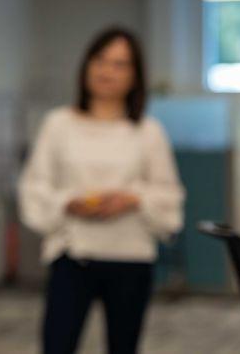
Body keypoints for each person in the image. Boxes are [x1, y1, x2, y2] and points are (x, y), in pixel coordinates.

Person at [18, 26, 184, 354]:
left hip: (130, 258)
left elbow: (169, 194)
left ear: (135, 75)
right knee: (57, 344)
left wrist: (131, 199)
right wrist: (69, 202)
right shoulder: (58, 124)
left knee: (124, 346)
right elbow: (34, 185)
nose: (107, 71)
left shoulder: (148, 132)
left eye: (120, 64)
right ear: (86, 66)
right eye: (100, 60)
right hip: (74, 255)